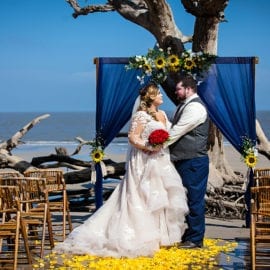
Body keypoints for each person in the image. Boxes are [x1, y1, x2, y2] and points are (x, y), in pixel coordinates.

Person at [54, 82, 188, 258]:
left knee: (161, 196)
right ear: (151, 97)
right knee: (142, 195)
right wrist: (148, 147)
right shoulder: (140, 116)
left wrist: (159, 145)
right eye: (159, 94)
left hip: (162, 160)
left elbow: (168, 135)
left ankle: (161, 236)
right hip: (144, 159)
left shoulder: (163, 114)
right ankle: (141, 236)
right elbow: (133, 137)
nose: (162, 96)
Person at [168, 75, 210, 249]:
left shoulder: (195, 108)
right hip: (184, 160)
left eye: (178, 89)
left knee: (194, 199)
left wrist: (155, 145)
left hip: (193, 161)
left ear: (189, 89)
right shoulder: (184, 105)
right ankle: (190, 234)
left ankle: (196, 238)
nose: (176, 92)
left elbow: (177, 131)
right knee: (185, 199)